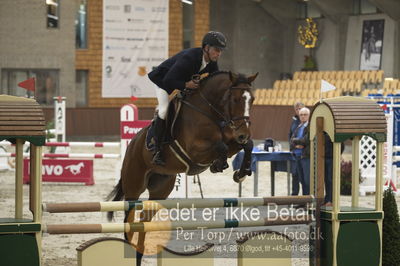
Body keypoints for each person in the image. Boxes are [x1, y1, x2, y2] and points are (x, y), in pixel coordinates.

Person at [148, 31, 227, 165]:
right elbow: (168, 80)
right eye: (216, 50)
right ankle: (157, 147)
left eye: (221, 51)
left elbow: (215, 80)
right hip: (163, 81)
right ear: (206, 48)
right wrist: (185, 85)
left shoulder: (212, 62)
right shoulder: (190, 58)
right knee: (163, 110)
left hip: (180, 81)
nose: (218, 54)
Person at [290, 107, 310, 195]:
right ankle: (303, 201)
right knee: (301, 180)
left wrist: (296, 141)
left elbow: (306, 140)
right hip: (297, 156)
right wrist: (297, 142)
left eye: (305, 115)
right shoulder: (299, 126)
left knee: (307, 180)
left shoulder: (310, 126)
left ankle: (307, 201)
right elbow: (291, 139)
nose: (303, 116)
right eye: (301, 115)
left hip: (305, 156)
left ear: (309, 116)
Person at [288, 102, 305, 196]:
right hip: (295, 153)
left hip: (303, 153)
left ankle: (304, 197)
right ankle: (294, 195)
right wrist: (291, 147)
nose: (298, 111)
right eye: (297, 109)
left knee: (303, 177)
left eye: (300, 109)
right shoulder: (294, 121)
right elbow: (290, 134)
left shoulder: (306, 121)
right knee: (294, 175)